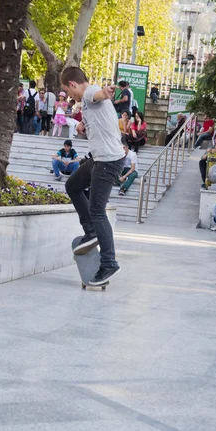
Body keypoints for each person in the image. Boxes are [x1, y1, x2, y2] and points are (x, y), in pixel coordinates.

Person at [61, 66, 125, 286]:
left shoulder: (90, 92)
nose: (72, 97)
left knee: (97, 209)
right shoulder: (86, 103)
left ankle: (109, 263)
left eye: (70, 93)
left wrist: (104, 92)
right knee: (73, 185)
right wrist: (83, 127)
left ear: (73, 84)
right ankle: (90, 231)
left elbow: (95, 95)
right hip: (98, 158)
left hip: (108, 161)